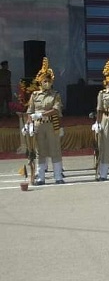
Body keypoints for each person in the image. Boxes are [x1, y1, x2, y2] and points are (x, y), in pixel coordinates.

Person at [25, 57, 64, 185]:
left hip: (51, 124)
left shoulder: (55, 94)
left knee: (55, 150)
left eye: (49, 81)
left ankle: (58, 176)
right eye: (45, 81)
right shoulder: (35, 95)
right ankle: (41, 177)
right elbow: (29, 111)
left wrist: (41, 114)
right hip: (38, 126)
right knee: (40, 151)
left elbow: (56, 109)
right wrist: (28, 125)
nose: (47, 83)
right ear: (40, 82)